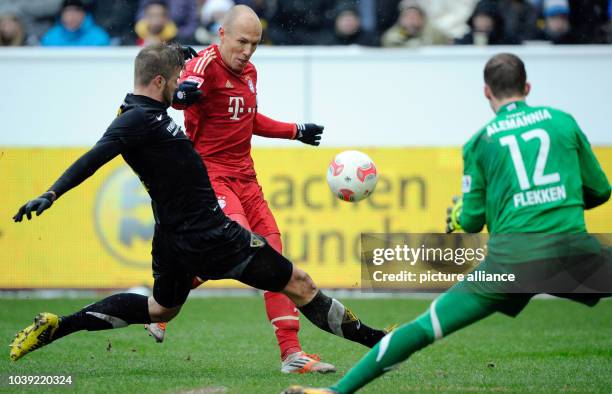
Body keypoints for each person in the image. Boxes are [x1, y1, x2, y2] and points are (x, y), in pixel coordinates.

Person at [9, 42, 389, 366]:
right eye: (176, 79)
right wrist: (53, 192)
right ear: (159, 82)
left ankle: (60, 325)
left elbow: (176, 91)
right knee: (300, 284)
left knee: (161, 308)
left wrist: (179, 58)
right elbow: (93, 158)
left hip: (173, 238)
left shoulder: (147, 111)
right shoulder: (135, 121)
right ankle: (378, 342)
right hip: (211, 233)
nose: (182, 85)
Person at [283, 53, 611, 394]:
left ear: (486, 92)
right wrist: (556, 202)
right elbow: (601, 190)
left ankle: (334, 392)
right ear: (527, 86)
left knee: (424, 328)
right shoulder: (563, 122)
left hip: (510, 265)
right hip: (572, 253)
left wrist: (455, 215)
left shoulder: (480, 142)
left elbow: (470, 221)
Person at [146, 5, 334, 374]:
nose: (247, 51)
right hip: (209, 177)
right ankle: (160, 303)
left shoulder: (250, 72)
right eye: (242, 41)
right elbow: (180, 95)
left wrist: (294, 130)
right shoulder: (203, 65)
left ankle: (292, 354)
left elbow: (248, 118)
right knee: (239, 246)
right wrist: (182, 95)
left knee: (275, 260)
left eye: (255, 43)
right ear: (222, 34)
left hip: (247, 179)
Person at [40, 0, 110, 47]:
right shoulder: (50, 38)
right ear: (61, 15)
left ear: (84, 14)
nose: (72, 16)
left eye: (77, 11)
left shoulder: (99, 37)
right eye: (68, 12)